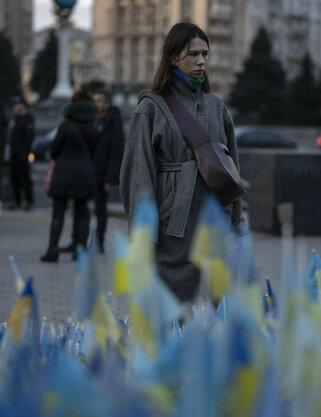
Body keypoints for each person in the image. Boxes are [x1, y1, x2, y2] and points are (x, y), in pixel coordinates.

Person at [120, 22, 245, 303]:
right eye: (192, 54)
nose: (201, 61)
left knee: (213, 309)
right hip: (172, 227)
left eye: (205, 54)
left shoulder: (217, 106)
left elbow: (232, 168)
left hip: (214, 222)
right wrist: (143, 236)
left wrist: (236, 223)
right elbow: (138, 174)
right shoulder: (150, 108)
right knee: (170, 312)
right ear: (173, 57)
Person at [41, 92, 99, 262]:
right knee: (82, 214)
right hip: (85, 174)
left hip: (63, 175)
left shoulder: (66, 126)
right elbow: (95, 151)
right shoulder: (94, 127)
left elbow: (53, 150)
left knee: (58, 214)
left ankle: (52, 251)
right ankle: (79, 250)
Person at [64, 89, 124, 253]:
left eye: (99, 100)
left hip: (101, 174)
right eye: (94, 100)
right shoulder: (88, 120)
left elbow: (116, 152)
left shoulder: (113, 123)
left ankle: (99, 242)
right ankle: (77, 241)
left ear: (107, 103)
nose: (96, 103)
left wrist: (110, 179)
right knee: (79, 207)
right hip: (84, 171)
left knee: (100, 210)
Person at [8, 97, 35, 211]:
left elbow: (29, 137)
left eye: (17, 105)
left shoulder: (28, 119)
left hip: (22, 155)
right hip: (14, 153)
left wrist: (25, 152)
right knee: (14, 179)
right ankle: (17, 201)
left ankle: (29, 201)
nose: (15, 107)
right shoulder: (16, 119)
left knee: (24, 178)